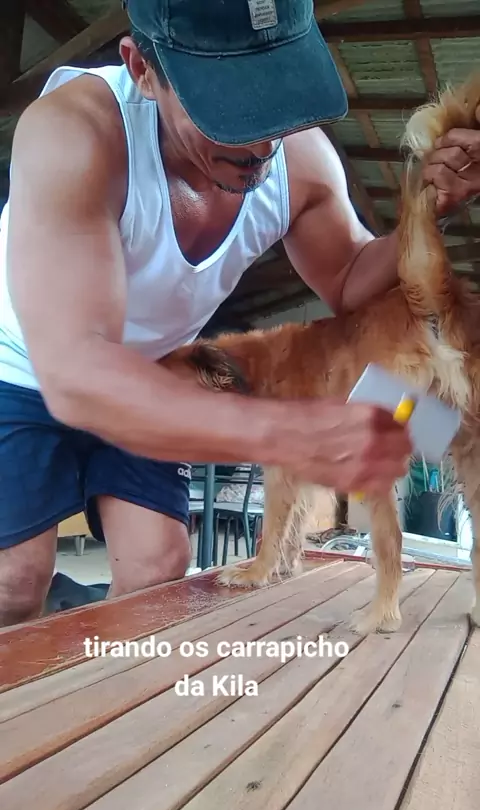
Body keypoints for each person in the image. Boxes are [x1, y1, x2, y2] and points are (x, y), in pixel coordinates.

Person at [1, 0, 479, 626]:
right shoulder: (74, 131)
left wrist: (429, 203)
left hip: (151, 372)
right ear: (141, 68)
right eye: (227, 109)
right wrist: (286, 430)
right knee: (14, 578)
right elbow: (77, 371)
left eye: (277, 99)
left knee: (155, 566)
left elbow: (349, 277)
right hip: (28, 366)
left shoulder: (300, 161)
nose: (260, 141)